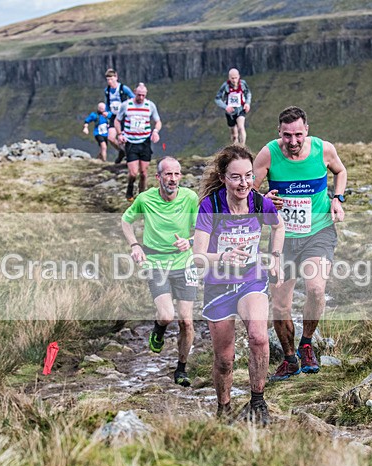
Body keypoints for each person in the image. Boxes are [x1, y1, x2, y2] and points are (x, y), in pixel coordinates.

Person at [253, 106, 347, 382]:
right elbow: (250, 193)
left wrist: (337, 199)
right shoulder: (268, 154)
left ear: (306, 130)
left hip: (318, 232)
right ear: (278, 133)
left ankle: (307, 344)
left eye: (297, 135)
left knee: (316, 289)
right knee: (280, 306)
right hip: (283, 238)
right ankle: (290, 359)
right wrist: (266, 200)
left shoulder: (323, 150)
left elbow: (340, 172)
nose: (292, 142)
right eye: (286, 136)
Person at [193, 145, 284, 425]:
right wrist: (222, 256)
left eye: (248, 176)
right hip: (218, 286)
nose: (243, 183)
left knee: (258, 336)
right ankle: (224, 408)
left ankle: (258, 401)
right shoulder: (211, 206)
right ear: (223, 178)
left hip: (251, 281)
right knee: (225, 359)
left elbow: (278, 226)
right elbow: (197, 257)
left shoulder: (259, 202)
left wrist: (276, 257)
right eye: (236, 177)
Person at [121, 156, 198, 387]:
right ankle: (158, 329)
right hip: (156, 263)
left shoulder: (190, 198)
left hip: (185, 263)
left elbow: (204, 229)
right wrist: (135, 245)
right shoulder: (145, 199)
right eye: (168, 174)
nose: (172, 179)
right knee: (167, 315)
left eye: (176, 174)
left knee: (186, 321)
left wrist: (190, 241)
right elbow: (126, 221)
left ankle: (181, 369)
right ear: (159, 177)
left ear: (180, 176)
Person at [115, 83, 162, 202]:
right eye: (139, 95)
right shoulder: (126, 105)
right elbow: (117, 120)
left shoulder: (150, 105)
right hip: (130, 142)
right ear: (134, 93)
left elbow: (158, 121)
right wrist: (120, 134)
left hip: (145, 142)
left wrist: (155, 131)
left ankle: (142, 196)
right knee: (133, 173)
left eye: (143, 95)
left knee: (144, 173)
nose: (141, 97)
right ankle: (130, 189)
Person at [104, 68, 135, 164]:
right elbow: (107, 103)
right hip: (113, 116)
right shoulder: (107, 90)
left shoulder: (123, 88)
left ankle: (130, 156)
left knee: (124, 138)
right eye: (108, 80)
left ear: (116, 78)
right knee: (110, 138)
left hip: (124, 116)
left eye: (111, 79)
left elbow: (133, 98)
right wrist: (107, 113)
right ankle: (122, 151)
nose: (110, 82)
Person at [214, 68, 252, 146]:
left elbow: (248, 93)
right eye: (232, 78)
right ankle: (235, 148)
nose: (234, 80)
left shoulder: (243, 84)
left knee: (241, 127)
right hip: (230, 112)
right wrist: (225, 107)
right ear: (229, 77)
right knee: (234, 134)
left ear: (239, 76)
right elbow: (217, 98)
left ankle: (243, 147)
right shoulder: (225, 86)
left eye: (236, 78)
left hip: (240, 109)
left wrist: (247, 103)